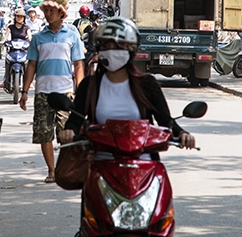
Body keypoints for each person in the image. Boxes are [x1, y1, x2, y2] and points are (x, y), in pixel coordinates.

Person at [58, 17, 196, 150]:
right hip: (101, 163)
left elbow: (165, 120)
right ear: (99, 49)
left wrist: (182, 134)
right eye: (106, 45)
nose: (112, 51)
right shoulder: (89, 85)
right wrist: (68, 132)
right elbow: (75, 120)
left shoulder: (147, 84)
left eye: (120, 46)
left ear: (133, 49)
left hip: (143, 162)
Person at [18, 0, 84, 183]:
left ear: (61, 13)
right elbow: (31, 65)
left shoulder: (72, 36)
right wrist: (24, 92)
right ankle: (52, 170)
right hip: (43, 92)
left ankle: (64, 168)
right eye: (45, 10)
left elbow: (79, 64)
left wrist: (80, 91)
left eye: (51, 10)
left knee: (66, 134)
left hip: (65, 92)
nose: (47, 14)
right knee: (44, 133)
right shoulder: (38, 38)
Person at [1, 8, 31, 88]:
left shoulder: (26, 27)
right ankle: (5, 80)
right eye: (18, 16)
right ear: (15, 17)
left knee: (27, 64)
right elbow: (6, 36)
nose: (19, 18)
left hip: (23, 50)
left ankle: (28, 82)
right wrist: (2, 41)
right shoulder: (10, 27)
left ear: (24, 18)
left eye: (21, 16)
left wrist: (32, 42)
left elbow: (30, 38)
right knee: (8, 63)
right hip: (12, 50)